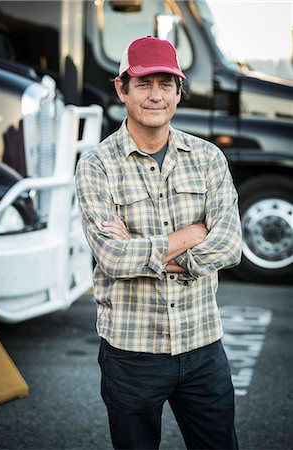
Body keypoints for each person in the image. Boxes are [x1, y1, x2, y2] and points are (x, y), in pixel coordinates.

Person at [75, 36, 242, 450]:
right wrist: (190, 235)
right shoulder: (97, 165)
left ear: (178, 92)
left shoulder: (208, 158)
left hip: (203, 346)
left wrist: (141, 247)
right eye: (144, 83)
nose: (155, 95)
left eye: (166, 84)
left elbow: (230, 245)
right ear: (122, 88)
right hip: (131, 352)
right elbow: (112, 257)